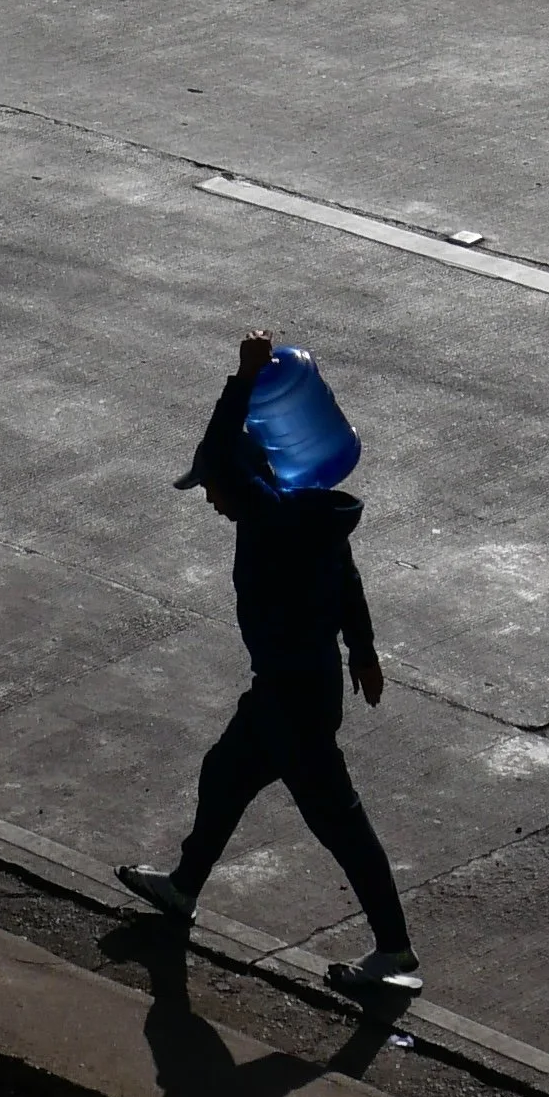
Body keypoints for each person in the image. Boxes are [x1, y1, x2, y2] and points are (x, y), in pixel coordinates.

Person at [119, 329, 422, 999]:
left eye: (210, 488)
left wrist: (242, 377)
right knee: (224, 774)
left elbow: (222, 452)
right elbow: (348, 583)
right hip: (288, 689)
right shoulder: (303, 519)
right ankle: (183, 887)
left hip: (294, 698)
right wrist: (364, 654)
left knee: (337, 819)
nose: (209, 498)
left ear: (243, 479)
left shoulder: (269, 518)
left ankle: (396, 954)